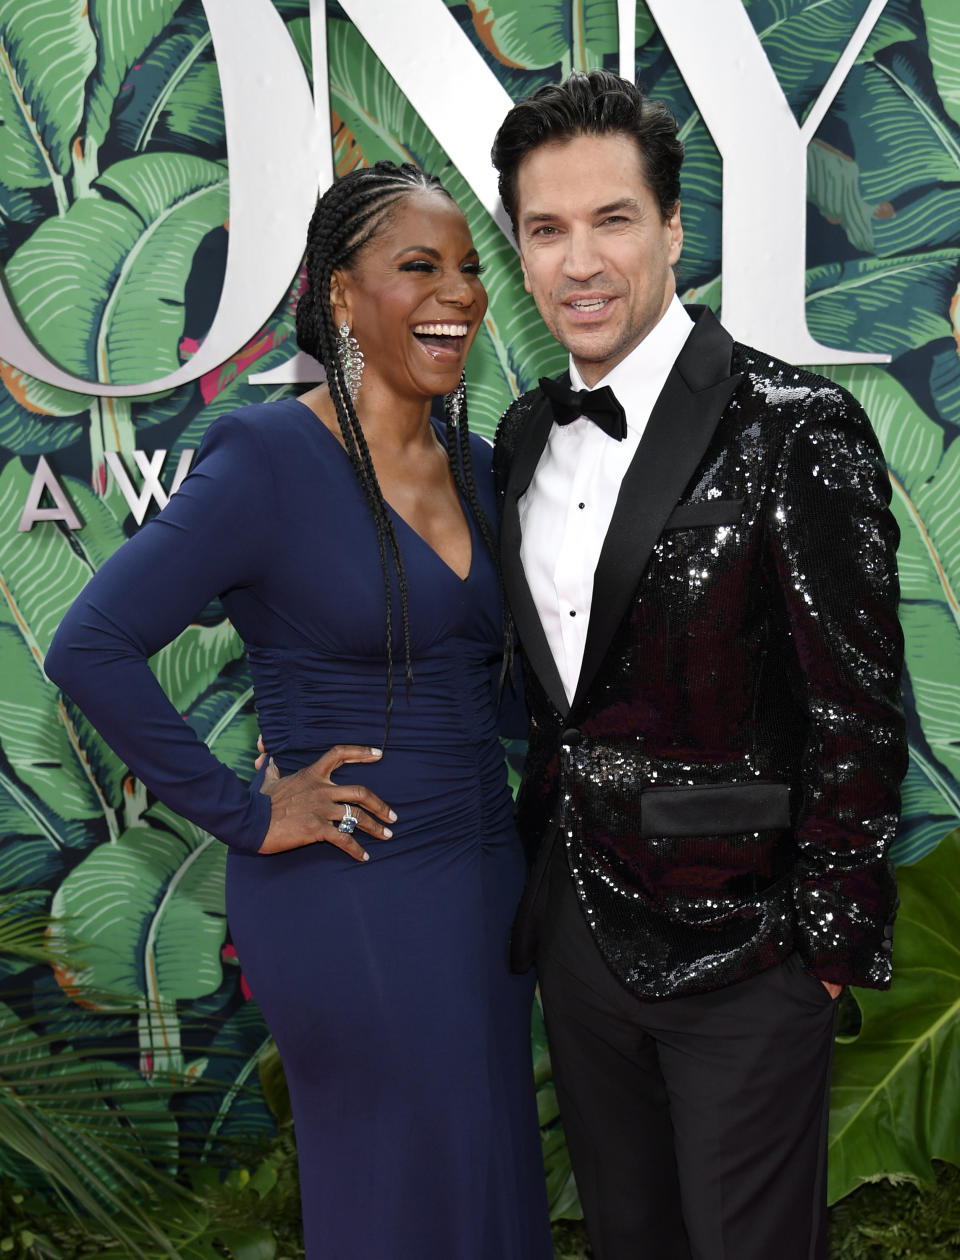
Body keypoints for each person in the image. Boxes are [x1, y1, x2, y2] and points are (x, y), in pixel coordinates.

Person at [44, 161, 553, 1260]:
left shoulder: (477, 468)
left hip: (483, 885)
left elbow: (509, 697)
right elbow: (90, 645)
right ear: (338, 294)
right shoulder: (269, 458)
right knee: (399, 1190)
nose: (457, 293)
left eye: (468, 268)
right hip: (349, 886)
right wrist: (244, 812)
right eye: (417, 267)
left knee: (487, 1171)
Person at [489, 70, 906, 1260]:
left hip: (747, 948)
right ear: (518, 252)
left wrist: (818, 955)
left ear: (674, 230)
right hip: (578, 937)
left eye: (612, 220)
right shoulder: (522, 435)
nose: (580, 261)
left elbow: (860, 711)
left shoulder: (794, 426)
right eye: (546, 229)